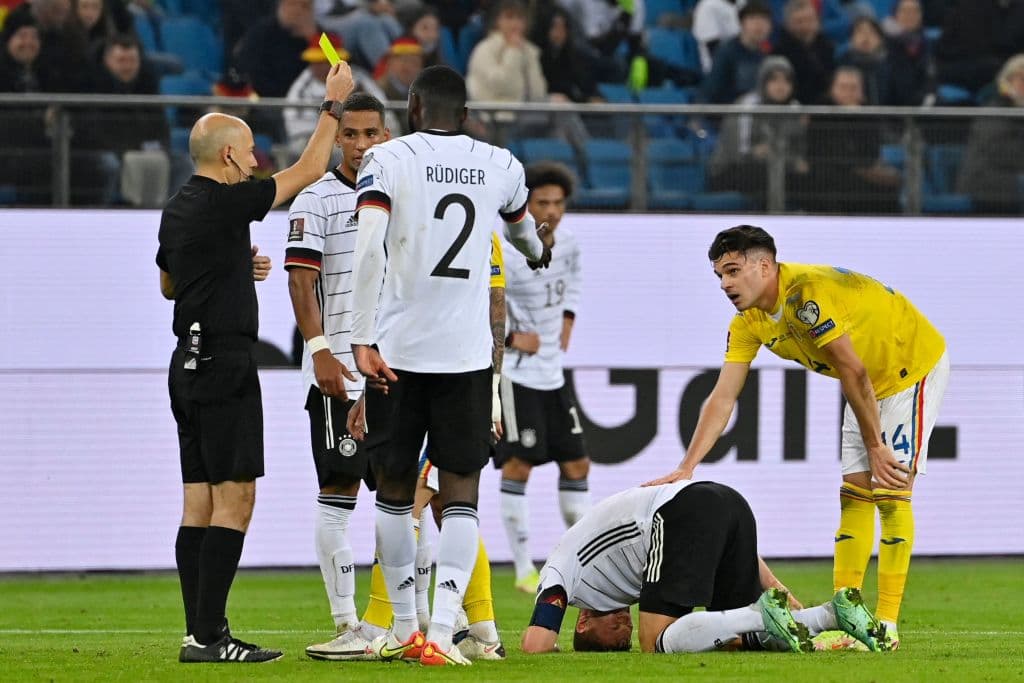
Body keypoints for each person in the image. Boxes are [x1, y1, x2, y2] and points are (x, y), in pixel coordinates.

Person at [646, 225, 949, 650]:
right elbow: (722, 396)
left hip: (907, 365)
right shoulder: (748, 321)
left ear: (765, 265)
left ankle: (886, 625)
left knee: (892, 492)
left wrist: (877, 446)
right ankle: (849, 620)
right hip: (865, 382)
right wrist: (687, 466)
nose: (725, 284)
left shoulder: (804, 297)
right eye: (719, 276)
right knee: (854, 495)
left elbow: (853, 369)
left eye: (733, 270)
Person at [349, 64, 553, 666]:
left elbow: (367, 248)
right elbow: (524, 238)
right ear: (466, 115)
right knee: (461, 493)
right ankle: (442, 632)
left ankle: (406, 627)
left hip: (398, 355)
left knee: (392, 492)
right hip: (466, 359)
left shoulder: (386, 161)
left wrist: (362, 340)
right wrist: (541, 250)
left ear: (411, 108)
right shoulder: (501, 164)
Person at [157, 60, 355, 664]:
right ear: (227, 159)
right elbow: (309, 170)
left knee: (198, 502)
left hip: (185, 366)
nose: (256, 161)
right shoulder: (223, 202)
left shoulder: (179, 207)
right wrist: (332, 106)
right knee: (235, 498)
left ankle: (199, 634)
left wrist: (229, 267)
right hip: (223, 365)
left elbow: (170, 285)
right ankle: (212, 636)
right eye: (248, 153)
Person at [347, 234, 512, 661]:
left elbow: (496, 309)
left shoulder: (449, 220)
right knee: (439, 502)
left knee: (419, 499)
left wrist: (492, 391)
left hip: (444, 382)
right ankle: (478, 630)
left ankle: (394, 625)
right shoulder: (460, 217)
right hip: (429, 377)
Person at [520, 479, 894, 654]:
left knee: (655, 643)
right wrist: (774, 586)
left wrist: (551, 650)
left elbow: (536, 646)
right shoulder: (618, 577)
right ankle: (832, 614)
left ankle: (760, 613)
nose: (626, 628)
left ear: (583, 622)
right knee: (739, 642)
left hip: (680, 510)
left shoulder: (561, 573)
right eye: (624, 642)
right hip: (730, 503)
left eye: (613, 635)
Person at [284, 91, 388, 660]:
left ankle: (410, 621)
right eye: (351, 134)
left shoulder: (402, 195)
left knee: (412, 497)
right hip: (341, 374)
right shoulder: (317, 197)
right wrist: (321, 348)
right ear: (338, 137)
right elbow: (301, 280)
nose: (362, 145)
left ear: (387, 135)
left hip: (397, 371)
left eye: (372, 133)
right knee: (339, 493)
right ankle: (348, 620)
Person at [495, 161, 588, 595]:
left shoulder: (568, 243)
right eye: (541, 203)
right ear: (524, 206)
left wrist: (568, 316)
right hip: (517, 375)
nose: (550, 211)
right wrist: (513, 338)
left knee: (576, 462)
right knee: (520, 463)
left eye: (557, 203)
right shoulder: (502, 246)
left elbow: (573, 281)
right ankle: (523, 569)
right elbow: (476, 303)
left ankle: (582, 561)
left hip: (554, 372)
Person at [709, 55, 808, 210]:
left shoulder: (796, 109)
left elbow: (799, 150)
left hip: (779, 167)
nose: (780, 86)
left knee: (810, 178)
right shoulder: (747, 106)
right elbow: (736, 152)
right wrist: (755, 153)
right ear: (763, 82)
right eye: (774, 80)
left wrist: (793, 160)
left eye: (786, 80)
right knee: (765, 176)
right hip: (731, 170)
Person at [801, 66, 900, 214]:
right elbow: (824, 153)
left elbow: (870, 155)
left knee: (889, 187)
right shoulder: (819, 114)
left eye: (853, 88)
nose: (848, 93)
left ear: (861, 92)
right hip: (825, 177)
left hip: (860, 176)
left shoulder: (869, 116)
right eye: (843, 87)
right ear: (832, 89)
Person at [956, 54, 1024, 215]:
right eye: (1021, 79)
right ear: (1007, 80)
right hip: (985, 185)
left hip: (1008, 182)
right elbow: (999, 150)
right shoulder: (995, 109)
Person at [702, 1, 772, 105]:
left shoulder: (768, 55)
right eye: (753, 18)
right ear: (742, 23)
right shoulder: (726, 53)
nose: (759, 24)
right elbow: (711, 91)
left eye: (764, 19)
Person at [771, 0, 835, 106]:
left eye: (810, 20)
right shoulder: (779, 52)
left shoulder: (828, 48)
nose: (806, 26)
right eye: (799, 21)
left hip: (824, 109)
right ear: (788, 24)